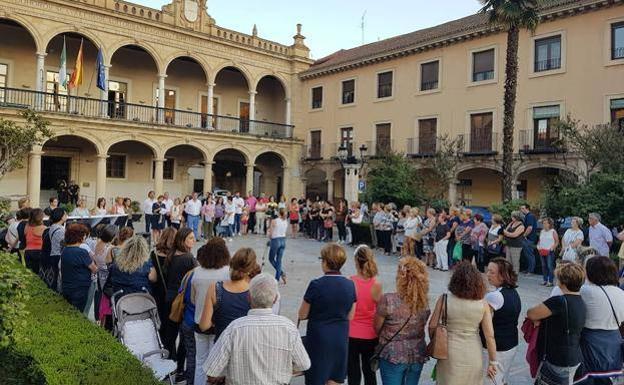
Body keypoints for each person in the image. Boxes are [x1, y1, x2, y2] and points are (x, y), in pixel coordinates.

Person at [203, 273, 311, 385]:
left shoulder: (234, 328)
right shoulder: (288, 328)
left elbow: (211, 370)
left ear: (248, 297)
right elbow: (304, 364)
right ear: (275, 299)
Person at [298, 243, 356, 385]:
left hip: (319, 338)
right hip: (340, 338)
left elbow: (302, 314)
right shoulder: (350, 284)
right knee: (335, 379)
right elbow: (350, 316)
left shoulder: (316, 285)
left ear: (325, 262)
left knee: (316, 378)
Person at [433, 261, 497, 384]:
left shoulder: (444, 299)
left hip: (449, 351)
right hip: (473, 351)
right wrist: (493, 361)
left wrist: (435, 341)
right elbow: (490, 336)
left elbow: (432, 325)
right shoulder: (483, 304)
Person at [527, 262, 586, 384]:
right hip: (574, 356)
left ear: (561, 282)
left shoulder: (559, 301)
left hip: (558, 358)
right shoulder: (580, 300)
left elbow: (531, 313)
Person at [373, 257, 429, 385]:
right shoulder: (424, 303)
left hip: (392, 355)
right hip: (416, 354)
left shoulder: (388, 300)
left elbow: (377, 327)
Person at [191, 238, 231, 385]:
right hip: (219, 324)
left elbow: (193, 299)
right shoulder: (228, 273)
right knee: (217, 366)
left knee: (200, 361)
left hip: (199, 320)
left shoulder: (197, 272)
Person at [578, 256, 624, 383]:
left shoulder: (586, 290)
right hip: (613, 344)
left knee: (587, 379)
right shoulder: (620, 293)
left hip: (590, 343)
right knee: (605, 380)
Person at [198, 248, 261, 340]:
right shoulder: (255, 290)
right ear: (251, 269)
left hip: (222, 344)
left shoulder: (215, 288)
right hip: (246, 344)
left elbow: (204, 325)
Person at [164, 228, 198, 380]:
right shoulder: (188, 257)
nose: (194, 240)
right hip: (182, 301)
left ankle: (168, 365)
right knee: (184, 336)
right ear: (183, 240)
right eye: (190, 238)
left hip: (169, 298)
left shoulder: (171, 255)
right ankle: (179, 369)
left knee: (170, 335)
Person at [482, 258, 521, 385]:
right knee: (500, 379)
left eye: (492, 272)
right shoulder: (513, 292)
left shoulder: (494, 297)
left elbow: (480, 320)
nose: (488, 274)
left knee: (491, 380)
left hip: (497, 349)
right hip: (510, 344)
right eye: (488, 271)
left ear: (503, 276)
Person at [348, 246, 382, 385]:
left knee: (353, 374)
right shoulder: (376, 284)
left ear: (356, 261)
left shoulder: (350, 281)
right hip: (370, 334)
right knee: (370, 373)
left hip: (351, 333)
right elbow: (380, 310)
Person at [61, 223, 97, 312]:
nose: (85, 238)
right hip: (80, 288)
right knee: (79, 312)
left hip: (66, 286)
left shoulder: (65, 250)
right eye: (84, 235)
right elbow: (94, 269)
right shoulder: (81, 252)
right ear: (79, 237)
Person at [150, 227, 177, 336]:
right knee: (171, 325)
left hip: (157, 292)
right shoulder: (176, 256)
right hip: (172, 293)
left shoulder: (154, 254)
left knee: (159, 321)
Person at [92, 224, 116, 326]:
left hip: (100, 276)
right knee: (108, 302)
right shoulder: (111, 248)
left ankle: (99, 318)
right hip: (108, 278)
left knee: (101, 298)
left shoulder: (95, 244)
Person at [42, 207, 67, 291]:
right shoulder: (60, 230)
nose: (66, 216)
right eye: (65, 214)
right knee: (57, 279)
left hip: (53, 254)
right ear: (61, 216)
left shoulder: (52, 226)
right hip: (58, 255)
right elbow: (63, 244)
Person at [268, 207, 289, 285]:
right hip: (283, 240)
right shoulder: (286, 221)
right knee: (279, 260)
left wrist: (269, 240)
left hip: (276, 240)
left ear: (279, 213)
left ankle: (281, 273)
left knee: (271, 259)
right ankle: (277, 277)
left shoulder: (274, 221)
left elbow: (270, 234)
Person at [538, 218, 559, 287]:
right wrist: (538, 245)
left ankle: (550, 281)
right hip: (542, 250)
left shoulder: (553, 231)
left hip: (549, 251)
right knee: (543, 266)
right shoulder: (542, 231)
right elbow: (540, 240)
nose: (544, 224)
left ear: (549, 224)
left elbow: (557, 241)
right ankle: (545, 280)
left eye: (545, 223)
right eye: (543, 223)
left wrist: (553, 247)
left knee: (550, 266)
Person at [24, 208, 46, 275]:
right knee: (38, 274)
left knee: (30, 273)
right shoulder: (43, 228)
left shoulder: (27, 227)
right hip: (38, 252)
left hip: (27, 252)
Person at [520, 204, 538, 274]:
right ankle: (529, 269)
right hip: (529, 238)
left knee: (530, 255)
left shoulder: (530, 216)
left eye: (522, 208)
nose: (521, 210)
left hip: (529, 239)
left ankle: (531, 270)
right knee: (528, 255)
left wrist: (524, 235)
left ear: (527, 208)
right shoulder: (528, 216)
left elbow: (530, 228)